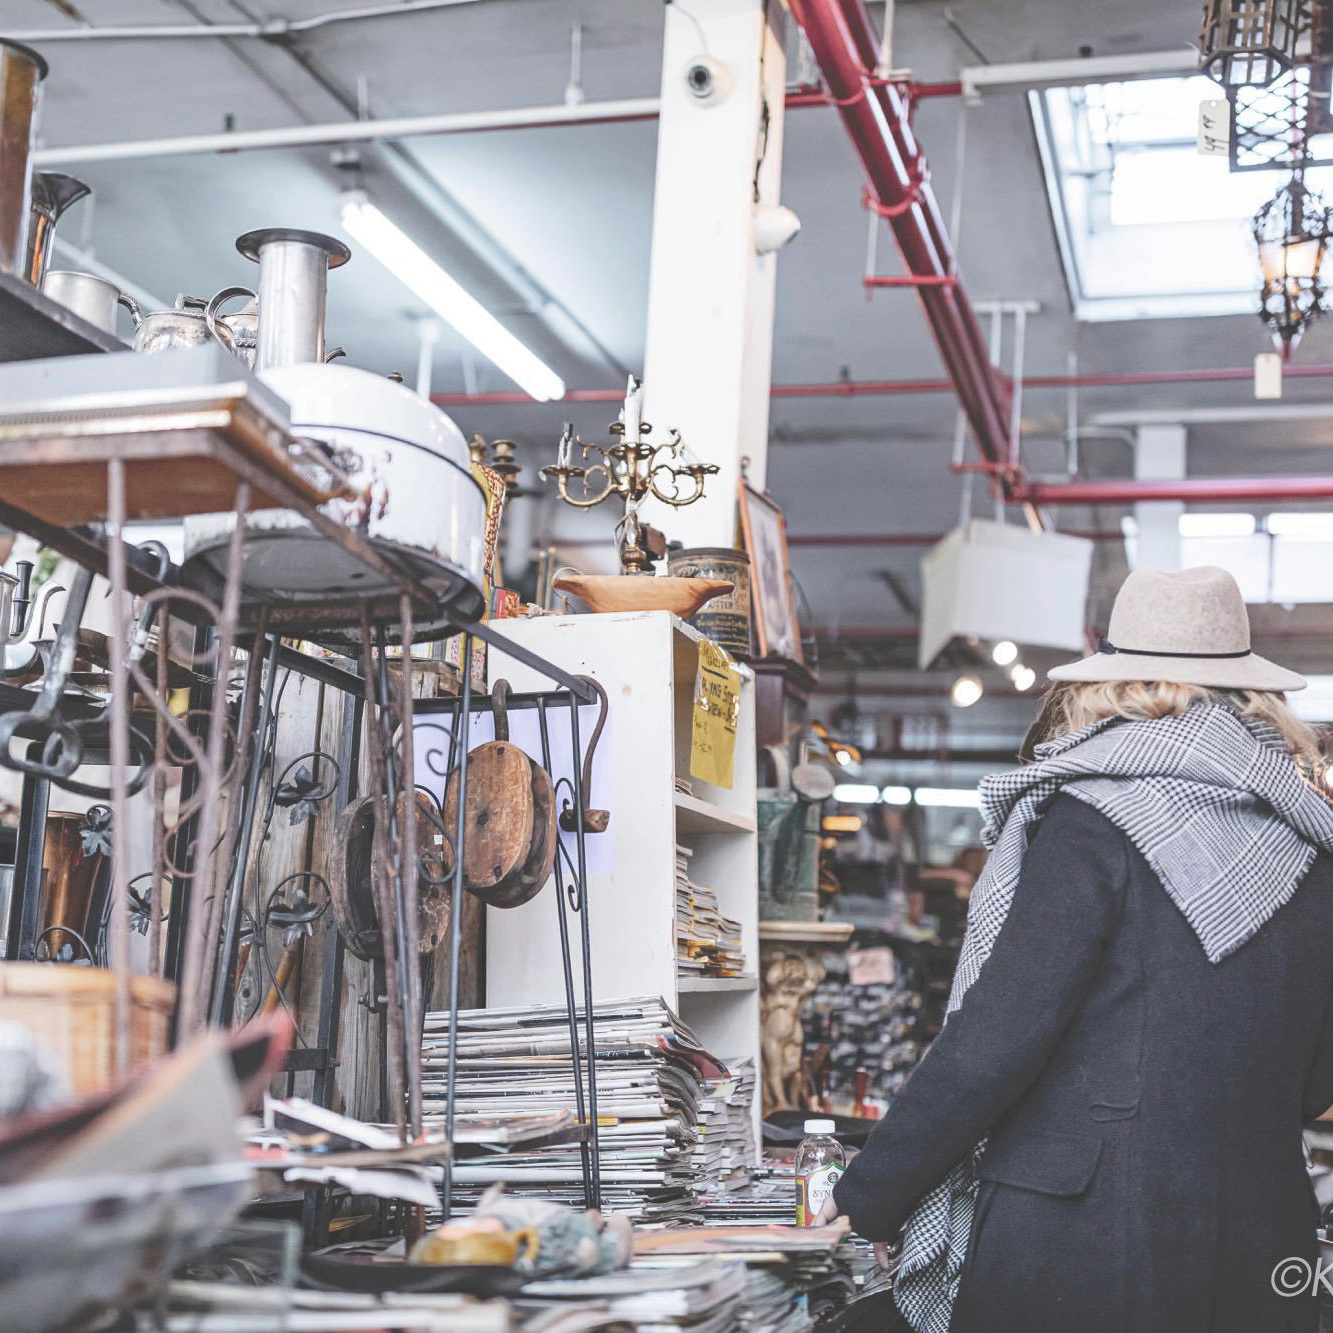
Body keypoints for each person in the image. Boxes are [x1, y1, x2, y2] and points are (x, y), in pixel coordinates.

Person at [815, 566, 1333, 1333]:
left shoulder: (1090, 815)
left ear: (1113, 679)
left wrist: (870, 1193)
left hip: (1080, 1237)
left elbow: (995, 1038)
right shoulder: (1311, 840)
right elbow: (1315, 1083)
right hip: (1260, 1237)